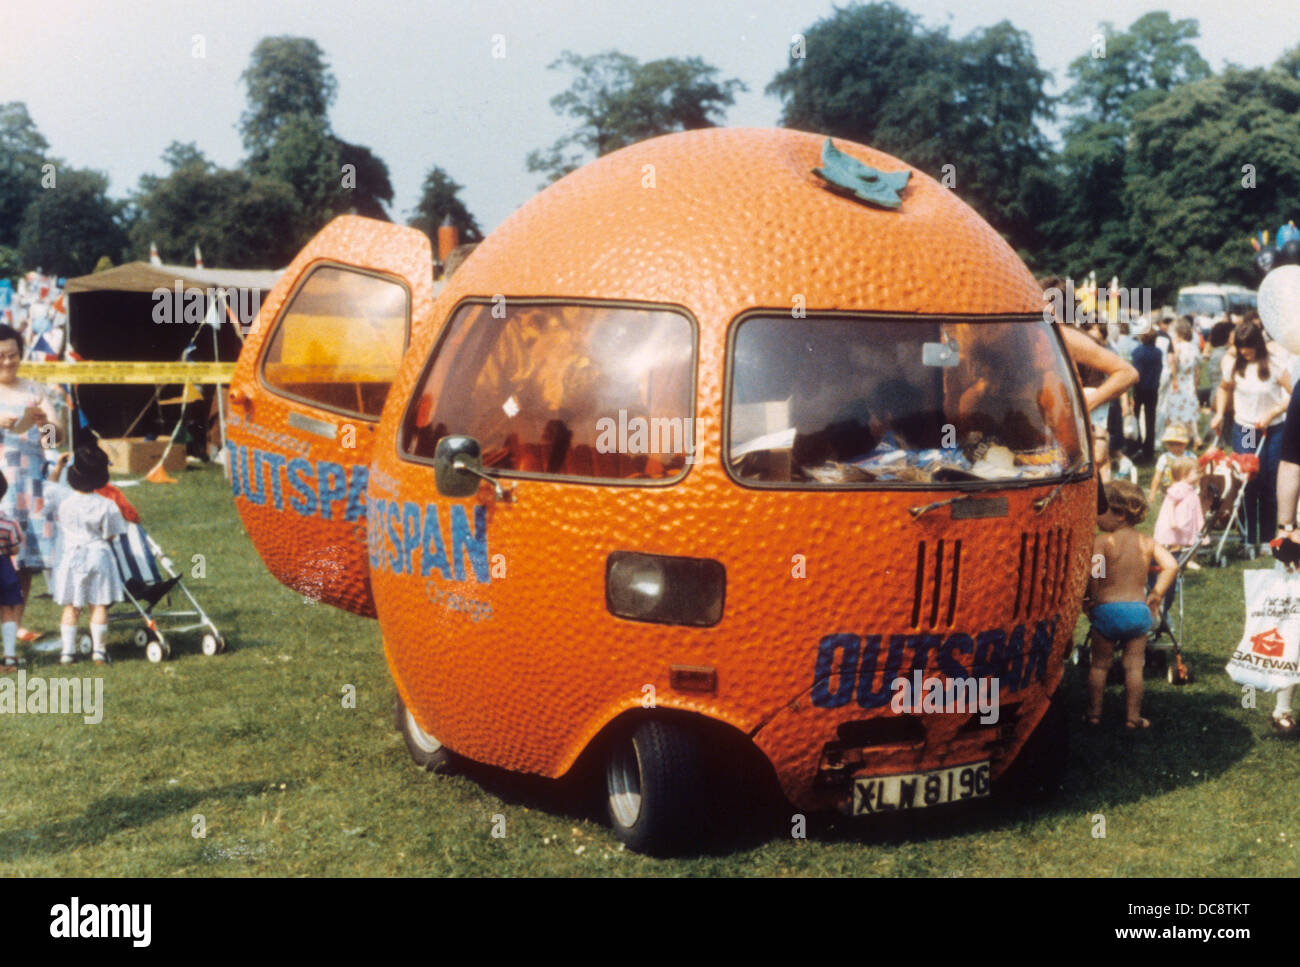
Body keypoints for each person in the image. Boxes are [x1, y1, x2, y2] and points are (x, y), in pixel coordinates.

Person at [1084, 481, 1178, 729]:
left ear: (1118, 513)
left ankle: (1094, 714)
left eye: (1099, 509)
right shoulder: (1147, 542)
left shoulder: (1103, 541)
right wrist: (1156, 594)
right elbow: (1171, 565)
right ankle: (1133, 718)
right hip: (1138, 612)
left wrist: (1091, 600)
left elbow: (1096, 573)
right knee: (1134, 667)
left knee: (1100, 665)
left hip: (1107, 610)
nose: (1094, 516)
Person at [0, 323, 64, 643]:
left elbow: (53, 440)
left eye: (13, 355)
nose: (8, 362)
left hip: (32, 485)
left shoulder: (35, 390)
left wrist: (45, 425)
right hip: (2, 487)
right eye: (1, 357)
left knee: (23, 559)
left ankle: (17, 623)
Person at [1212, 321, 1292, 554]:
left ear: (1258, 344)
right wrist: (1219, 413)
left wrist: (1273, 412)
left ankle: (1268, 539)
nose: (1244, 351)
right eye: (1240, 347)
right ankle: (1249, 538)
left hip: (1273, 430)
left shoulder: (1274, 365)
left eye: (1248, 346)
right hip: (1246, 429)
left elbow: (1293, 393)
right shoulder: (1234, 366)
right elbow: (1224, 388)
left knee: (1269, 482)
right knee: (1249, 480)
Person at [52, 448, 127, 666]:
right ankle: (99, 652)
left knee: (71, 606)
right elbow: (112, 534)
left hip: (72, 556)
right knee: (99, 604)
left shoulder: (64, 501)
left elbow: (51, 486)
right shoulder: (107, 504)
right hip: (98, 555)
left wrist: (59, 465)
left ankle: (67, 652)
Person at [1152, 456, 1205, 571]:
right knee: (1172, 541)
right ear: (1184, 474)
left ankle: (1187, 560)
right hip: (1177, 521)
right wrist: (1172, 520)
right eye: (1196, 472)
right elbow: (1170, 504)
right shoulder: (1178, 488)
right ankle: (1165, 560)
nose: (1199, 474)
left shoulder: (1190, 488)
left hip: (1187, 521)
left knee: (1188, 541)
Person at [1163, 317, 1202, 447]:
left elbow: (1173, 363)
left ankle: (1177, 437)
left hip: (1178, 381)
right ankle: (1194, 437)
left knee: (1175, 410)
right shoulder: (1194, 348)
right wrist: (1196, 384)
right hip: (1189, 382)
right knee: (1189, 411)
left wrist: (1174, 379)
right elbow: (1197, 369)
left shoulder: (1177, 347)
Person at [0, 472, 24, 671]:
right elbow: (15, 548)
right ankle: (9, 656)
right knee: (8, 608)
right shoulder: (9, 522)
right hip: (3, 567)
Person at [1131, 330, 1163, 461]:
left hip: (1139, 388)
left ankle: (1135, 444)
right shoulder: (1158, 352)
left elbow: (1136, 371)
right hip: (1153, 388)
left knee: (1135, 417)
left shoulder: (1137, 352)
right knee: (1150, 419)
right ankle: (1149, 449)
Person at [1148, 424, 1191, 506]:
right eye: (1172, 445)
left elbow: (1198, 472)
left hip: (1186, 490)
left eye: (1179, 444)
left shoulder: (1190, 456)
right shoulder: (1164, 458)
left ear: (1185, 444)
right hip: (1168, 490)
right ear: (1167, 445)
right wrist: (1152, 493)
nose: (1176, 447)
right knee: (1169, 509)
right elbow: (1157, 476)